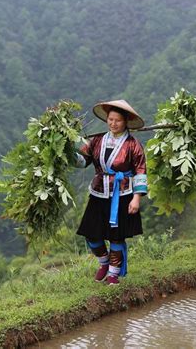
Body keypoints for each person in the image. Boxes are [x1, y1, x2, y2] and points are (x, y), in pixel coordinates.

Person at [74, 100, 147, 285]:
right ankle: (104, 263)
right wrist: (65, 153)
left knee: (116, 236)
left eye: (118, 120)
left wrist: (136, 199)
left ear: (126, 122)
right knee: (91, 234)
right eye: (110, 119)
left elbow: (140, 171)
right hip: (99, 192)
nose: (113, 124)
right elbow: (83, 162)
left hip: (122, 194)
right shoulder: (97, 140)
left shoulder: (133, 145)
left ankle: (114, 274)